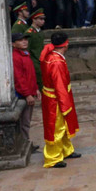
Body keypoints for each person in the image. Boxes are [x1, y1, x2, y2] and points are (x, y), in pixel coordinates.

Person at [40, 32, 81, 168]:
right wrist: (65, 104)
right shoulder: (56, 62)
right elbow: (59, 85)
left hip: (52, 96)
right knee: (56, 128)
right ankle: (53, 157)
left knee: (61, 126)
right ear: (66, 44)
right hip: (56, 99)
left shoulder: (50, 56)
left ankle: (66, 150)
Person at [11, 33, 40, 154]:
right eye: (20, 40)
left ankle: (26, 143)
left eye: (25, 40)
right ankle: (25, 145)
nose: (24, 42)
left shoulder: (25, 54)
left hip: (29, 91)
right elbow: (19, 78)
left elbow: (30, 75)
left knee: (26, 121)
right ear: (13, 44)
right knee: (24, 122)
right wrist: (27, 94)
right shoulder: (15, 57)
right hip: (23, 95)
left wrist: (36, 89)